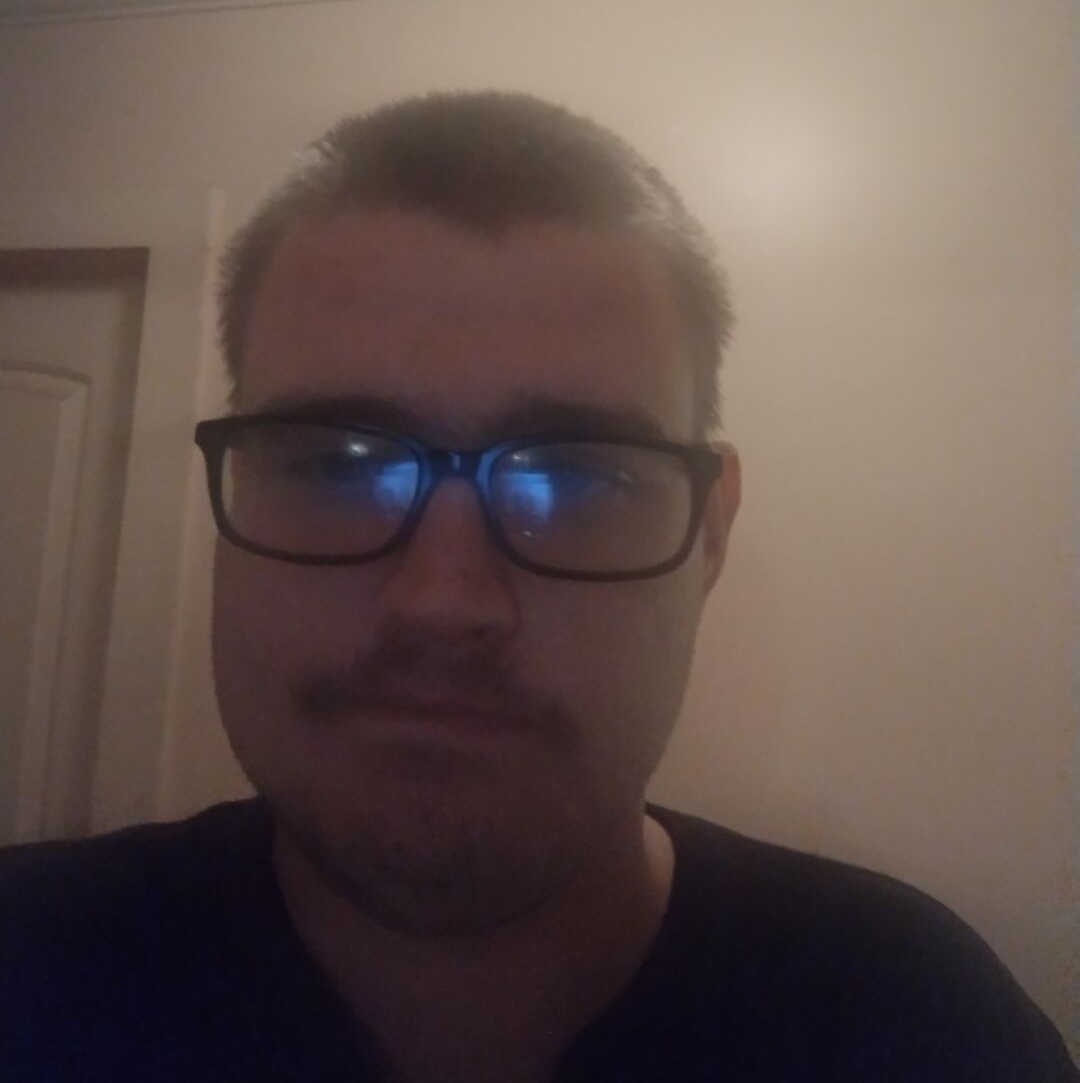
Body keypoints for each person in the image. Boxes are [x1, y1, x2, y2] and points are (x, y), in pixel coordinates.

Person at [1, 91, 1074, 1082]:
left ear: (709, 535)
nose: (441, 602)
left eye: (577, 477)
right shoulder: (30, 968)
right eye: (336, 466)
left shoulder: (918, 1021)